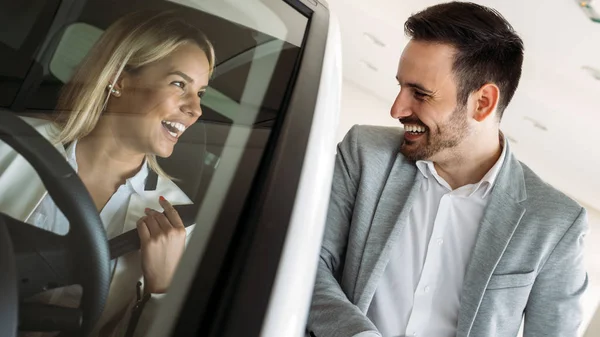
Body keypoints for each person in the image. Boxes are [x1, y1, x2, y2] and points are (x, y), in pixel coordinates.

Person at [307, 2, 588, 337]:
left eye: (420, 94)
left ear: (482, 103)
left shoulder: (555, 223)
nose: (397, 108)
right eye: (401, 86)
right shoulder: (364, 153)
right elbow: (307, 263)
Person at [0, 9, 215, 337]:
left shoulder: (180, 224)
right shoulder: (11, 144)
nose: (195, 109)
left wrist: (162, 287)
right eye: (178, 83)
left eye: (200, 93)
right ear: (118, 79)